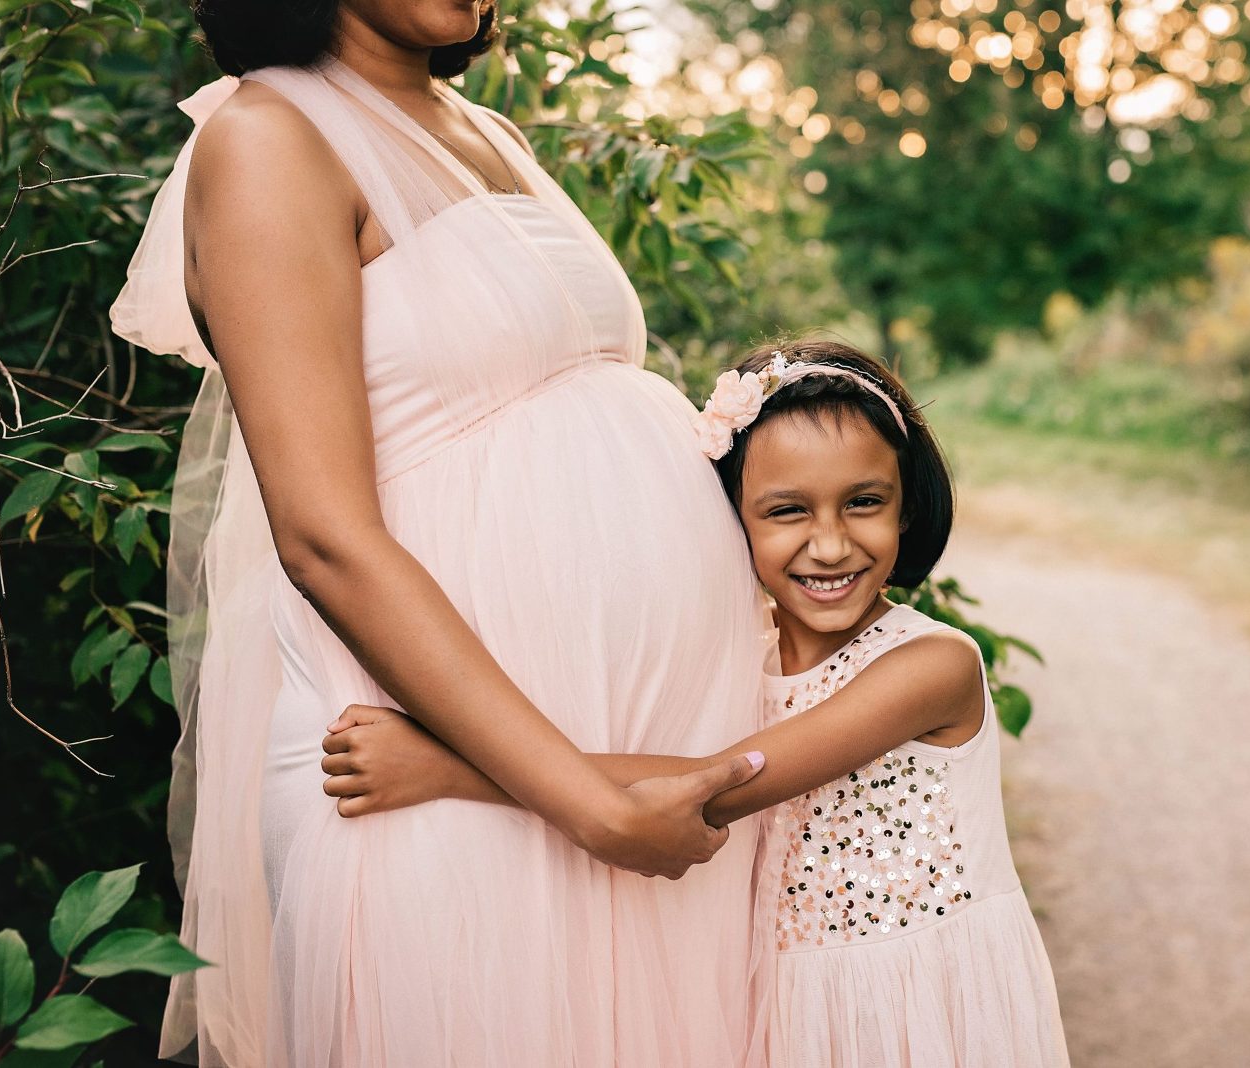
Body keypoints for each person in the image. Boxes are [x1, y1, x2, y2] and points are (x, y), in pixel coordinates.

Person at [110, 1, 774, 1064]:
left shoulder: (480, 126)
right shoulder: (271, 137)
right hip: (442, 759)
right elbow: (323, 535)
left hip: (610, 754)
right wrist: (586, 804)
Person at [329, 340, 1072, 1065]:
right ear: (730, 521)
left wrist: (446, 766)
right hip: (783, 1005)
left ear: (906, 509)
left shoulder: (929, 667)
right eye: (787, 511)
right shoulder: (735, 658)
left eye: (864, 503)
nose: (831, 543)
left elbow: (714, 783)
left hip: (913, 1001)